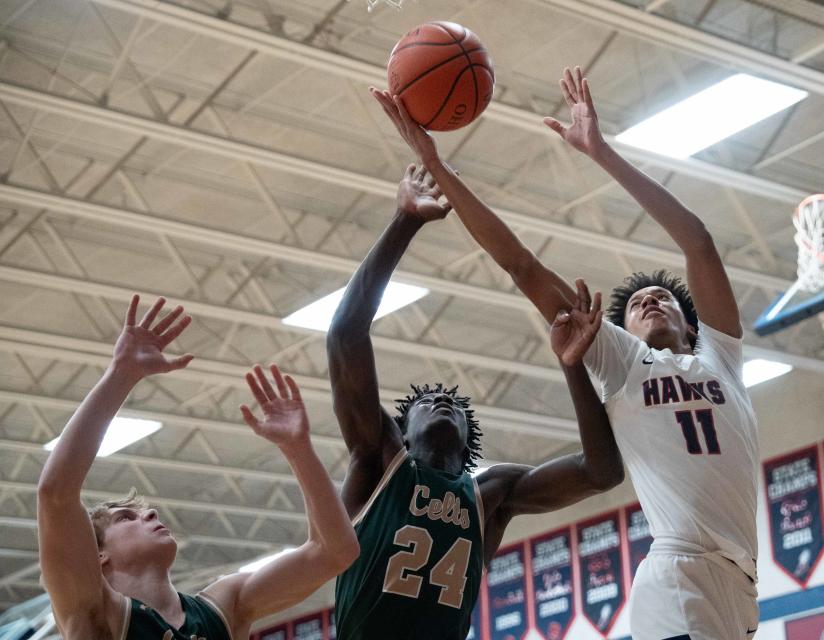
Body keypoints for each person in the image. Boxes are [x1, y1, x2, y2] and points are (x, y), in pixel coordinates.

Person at [372, 65, 760, 639]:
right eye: (636, 304)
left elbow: (697, 240)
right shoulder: (624, 361)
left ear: (692, 322)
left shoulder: (722, 357)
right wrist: (435, 163)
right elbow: (520, 263)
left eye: (663, 298)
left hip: (744, 582)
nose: (652, 300)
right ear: (620, 329)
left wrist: (600, 152)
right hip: (681, 568)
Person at [327, 165, 623, 640]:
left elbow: (602, 471)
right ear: (402, 431)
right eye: (430, 401)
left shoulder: (491, 493)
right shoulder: (378, 459)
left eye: (455, 405)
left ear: (469, 437)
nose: (444, 401)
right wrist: (405, 220)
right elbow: (345, 335)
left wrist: (573, 365)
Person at [37, 295, 359, 640]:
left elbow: (335, 551)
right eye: (126, 518)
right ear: (98, 554)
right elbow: (56, 493)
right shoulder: (97, 613)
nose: (148, 516)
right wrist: (121, 374)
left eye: (147, 512)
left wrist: (298, 449)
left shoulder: (223, 606)